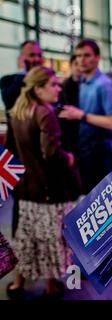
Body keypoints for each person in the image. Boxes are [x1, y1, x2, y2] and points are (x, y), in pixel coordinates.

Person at [7, 66, 76, 299]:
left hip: (27, 188)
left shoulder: (18, 111)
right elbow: (51, 154)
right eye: (54, 84)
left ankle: (17, 285)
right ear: (38, 88)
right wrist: (69, 157)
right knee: (51, 239)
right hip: (50, 190)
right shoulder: (45, 113)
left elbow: (15, 150)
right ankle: (50, 287)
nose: (59, 88)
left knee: (26, 238)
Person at [59, 39, 112, 194]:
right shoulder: (84, 81)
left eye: (87, 55)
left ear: (97, 57)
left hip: (100, 153)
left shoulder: (104, 84)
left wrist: (81, 115)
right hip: (86, 150)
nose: (81, 60)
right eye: (78, 56)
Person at [0, 40, 44, 239]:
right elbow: (11, 100)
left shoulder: (45, 84)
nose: (35, 59)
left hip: (40, 156)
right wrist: (26, 74)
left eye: (37, 55)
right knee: (21, 202)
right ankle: (21, 246)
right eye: (30, 55)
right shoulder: (10, 81)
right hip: (18, 155)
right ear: (21, 58)